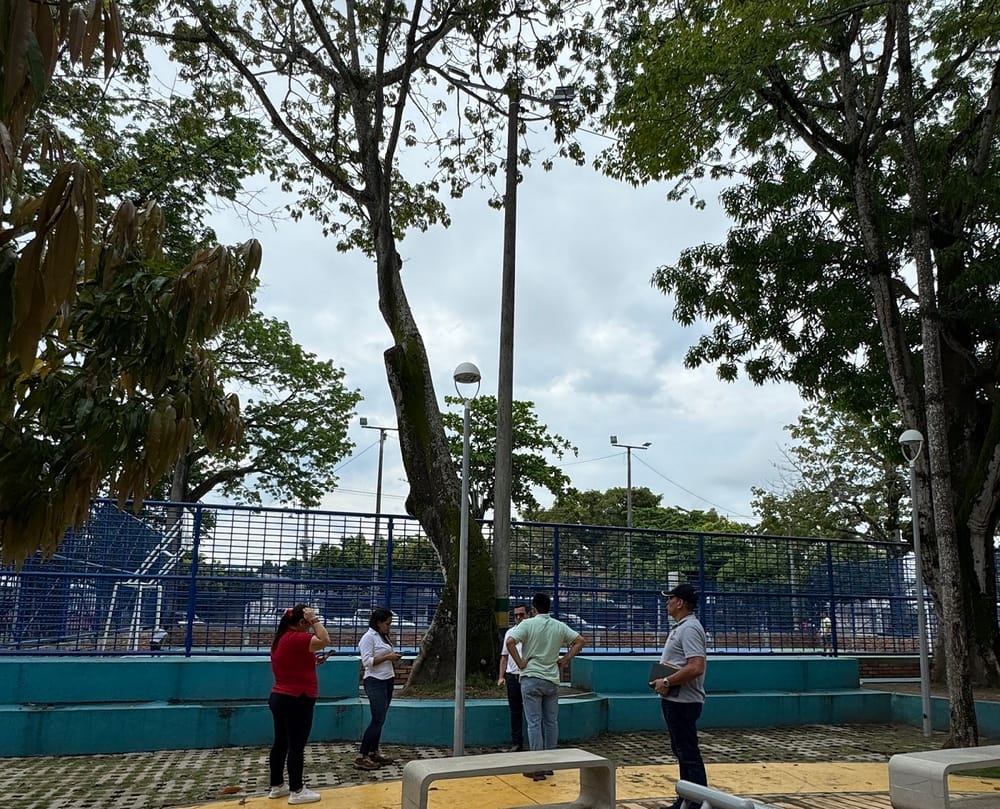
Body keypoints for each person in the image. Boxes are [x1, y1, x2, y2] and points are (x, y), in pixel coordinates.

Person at [506, 592, 586, 781]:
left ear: (533, 609)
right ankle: (551, 764)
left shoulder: (527, 624)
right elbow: (580, 641)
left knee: (534, 722)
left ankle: (537, 766)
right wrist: (565, 660)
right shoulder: (559, 626)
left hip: (531, 677)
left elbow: (510, 642)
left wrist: (520, 662)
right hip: (551, 678)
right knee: (551, 721)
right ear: (549, 607)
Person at [268, 603, 330, 805]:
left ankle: (277, 785)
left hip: (280, 696)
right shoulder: (299, 639)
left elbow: (292, 662)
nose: (309, 627)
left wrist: (312, 662)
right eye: (307, 623)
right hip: (298, 698)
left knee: (281, 743)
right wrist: (315, 620)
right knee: (296, 746)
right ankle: (297, 790)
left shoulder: (280, 639)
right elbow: (325, 639)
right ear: (302, 622)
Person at [652, 583, 707, 809]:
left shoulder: (689, 628)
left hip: (684, 701)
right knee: (682, 751)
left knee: (688, 752)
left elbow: (696, 666)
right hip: (675, 699)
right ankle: (687, 798)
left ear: (680, 603)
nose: (667, 603)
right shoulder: (682, 627)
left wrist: (666, 680)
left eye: (670, 599)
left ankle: (696, 801)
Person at [356, 607, 402, 770]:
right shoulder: (368, 638)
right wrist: (387, 657)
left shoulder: (383, 637)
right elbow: (367, 661)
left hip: (387, 679)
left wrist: (392, 657)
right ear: (378, 623)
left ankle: (374, 751)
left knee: (381, 719)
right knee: (377, 719)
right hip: (375, 681)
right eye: (387, 624)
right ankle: (362, 755)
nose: (389, 626)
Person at [497, 603, 530, 751]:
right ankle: (517, 742)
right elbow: (504, 656)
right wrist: (501, 676)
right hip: (512, 676)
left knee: (531, 711)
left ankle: (536, 742)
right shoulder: (510, 632)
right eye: (516, 615)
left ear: (528, 614)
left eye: (521, 615)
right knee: (515, 711)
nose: (518, 618)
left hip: (528, 675)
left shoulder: (532, 632)